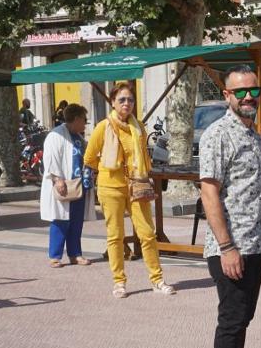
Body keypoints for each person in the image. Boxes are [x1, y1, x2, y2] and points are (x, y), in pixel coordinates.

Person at [199, 65, 261, 348]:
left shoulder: (253, 134)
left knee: (242, 319)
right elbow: (210, 191)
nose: (248, 97)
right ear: (227, 96)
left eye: (254, 91)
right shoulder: (218, 135)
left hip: (254, 244)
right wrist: (227, 246)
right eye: (240, 92)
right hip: (231, 247)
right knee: (231, 321)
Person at [82, 82, 175, 299]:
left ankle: (157, 279)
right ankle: (119, 282)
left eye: (130, 99)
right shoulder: (103, 127)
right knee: (116, 236)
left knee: (147, 234)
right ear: (113, 102)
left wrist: (142, 175)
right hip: (110, 187)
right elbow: (89, 159)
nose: (127, 103)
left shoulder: (139, 127)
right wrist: (108, 168)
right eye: (122, 99)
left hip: (137, 185)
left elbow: (144, 157)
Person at [41, 104, 95, 268]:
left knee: (76, 221)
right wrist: (57, 179)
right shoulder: (55, 135)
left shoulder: (78, 137)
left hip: (78, 185)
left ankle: (75, 254)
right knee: (60, 220)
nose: (85, 124)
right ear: (77, 119)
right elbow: (50, 159)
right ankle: (55, 256)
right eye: (84, 120)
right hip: (64, 184)